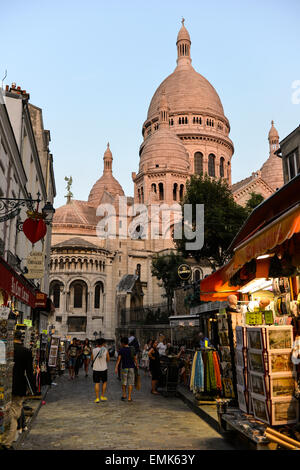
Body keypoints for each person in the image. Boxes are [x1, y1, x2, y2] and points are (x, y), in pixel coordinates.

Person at [0, 330, 36, 450]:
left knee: (6, 413)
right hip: (18, 387)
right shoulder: (26, 352)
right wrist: (33, 388)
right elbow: (29, 372)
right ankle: (7, 442)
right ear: (21, 338)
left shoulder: (5, 349)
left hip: (3, 385)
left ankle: (5, 438)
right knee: (14, 414)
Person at [115, 337, 138, 402]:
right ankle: (129, 397)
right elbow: (135, 358)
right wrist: (137, 365)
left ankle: (124, 395)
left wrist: (116, 367)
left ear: (122, 343)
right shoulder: (132, 349)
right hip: (131, 367)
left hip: (124, 368)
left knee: (124, 382)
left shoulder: (121, 350)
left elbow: (119, 360)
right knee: (130, 383)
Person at [91, 338, 110, 403]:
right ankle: (102, 396)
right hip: (104, 368)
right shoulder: (105, 350)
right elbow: (108, 359)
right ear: (103, 343)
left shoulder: (93, 350)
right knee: (104, 382)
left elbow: (92, 358)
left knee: (97, 383)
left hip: (96, 368)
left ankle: (97, 398)